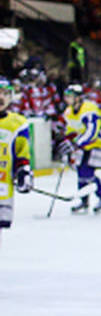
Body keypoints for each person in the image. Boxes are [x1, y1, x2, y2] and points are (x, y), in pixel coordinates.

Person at [59, 83, 101, 215]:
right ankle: (84, 201)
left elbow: (92, 132)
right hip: (86, 144)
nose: (67, 99)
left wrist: (75, 144)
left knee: (87, 172)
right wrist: (68, 140)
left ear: (78, 98)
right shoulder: (69, 111)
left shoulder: (89, 109)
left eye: (70, 96)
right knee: (81, 170)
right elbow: (71, 129)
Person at [0, 77, 33, 248]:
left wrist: (24, 173)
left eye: (5, 93)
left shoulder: (17, 124)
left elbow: (22, 153)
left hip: (3, 187)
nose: (1, 97)